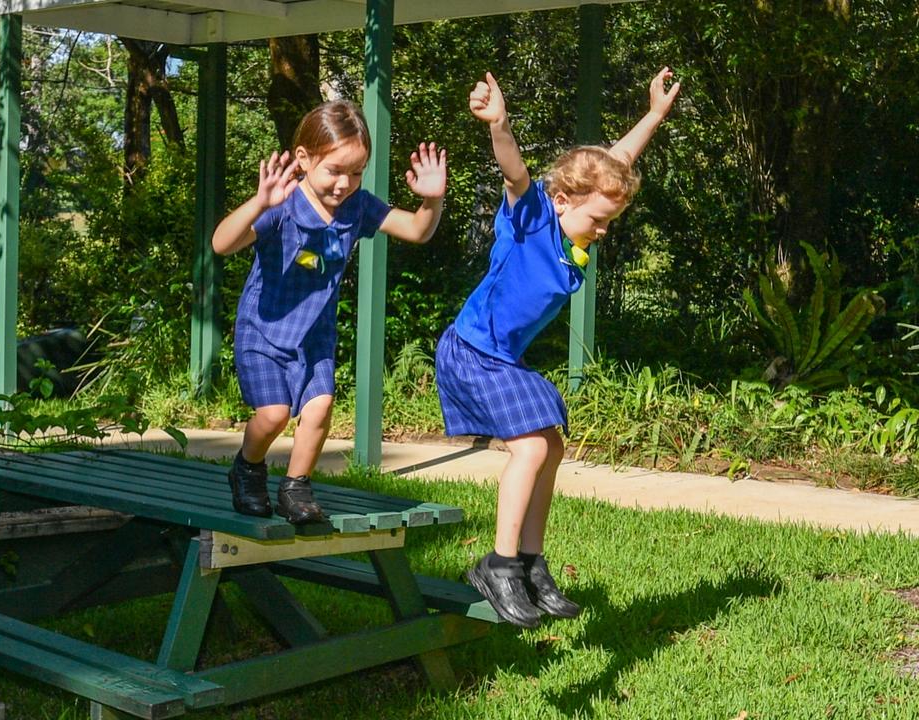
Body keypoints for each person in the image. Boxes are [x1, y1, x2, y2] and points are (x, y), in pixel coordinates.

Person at [438, 68, 680, 627]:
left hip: (497, 358)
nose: (603, 230)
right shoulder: (532, 221)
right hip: (470, 352)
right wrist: (499, 124)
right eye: (598, 220)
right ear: (565, 200)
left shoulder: (576, 216)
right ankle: (496, 565)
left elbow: (612, 164)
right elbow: (517, 173)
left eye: (609, 221)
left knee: (551, 442)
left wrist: (654, 116)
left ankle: (529, 562)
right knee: (529, 448)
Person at [212, 99, 447, 524]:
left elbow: (416, 229)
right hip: (263, 329)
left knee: (319, 408)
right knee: (274, 415)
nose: (345, 183)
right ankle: (247, 469)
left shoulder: (357, 207)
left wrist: (432, 201)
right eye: (335, 171)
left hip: (314, 333)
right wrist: (258, 202)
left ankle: (296, 488)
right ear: (303, 159)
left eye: (356, 172)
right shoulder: (281, 205)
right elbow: (222, 244)